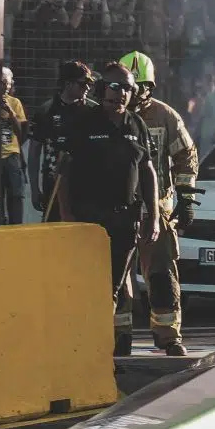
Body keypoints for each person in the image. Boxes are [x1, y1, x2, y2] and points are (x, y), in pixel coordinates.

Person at [58, 59, 159, 356]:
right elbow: (64, 172)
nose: (121, 94)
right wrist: (66, 214)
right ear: (102, 89)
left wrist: (152, 217)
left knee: (112, 287)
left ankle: (100, 351)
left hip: (124, 220)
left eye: (127, 88)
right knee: (86, 285)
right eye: (114, 87)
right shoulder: (84, 122)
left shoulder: (136, 124)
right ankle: (80, 346)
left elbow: (149, 171)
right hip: (88, 219)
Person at [120, 51, 200, 356]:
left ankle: (168, 336)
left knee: (162, 275)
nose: (129, 93)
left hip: (157, 212)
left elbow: (186, 156)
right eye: (125, 86)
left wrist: (186, 198)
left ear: (148, 87)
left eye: (136, 86)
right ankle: (119, 335)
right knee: (118, 280)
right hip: (119, 212)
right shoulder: (110, 116)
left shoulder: (165, 116)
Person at [29, 60, 97, 218]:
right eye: (83, 84)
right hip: (53, 184)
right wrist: (34, 189)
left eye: (89, 83)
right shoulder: (46, 111)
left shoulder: (93, 111)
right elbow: (34, 153)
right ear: (68, 84)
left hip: (85, 185)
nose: (87, 88)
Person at [0, 60, 32, 225]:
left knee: (16, 193)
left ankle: (16, 224)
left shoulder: (15, 103)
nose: (5, 86)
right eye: (1, 83)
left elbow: (21, 132)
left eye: (7, 83)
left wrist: (10, 112)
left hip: (11, 154)